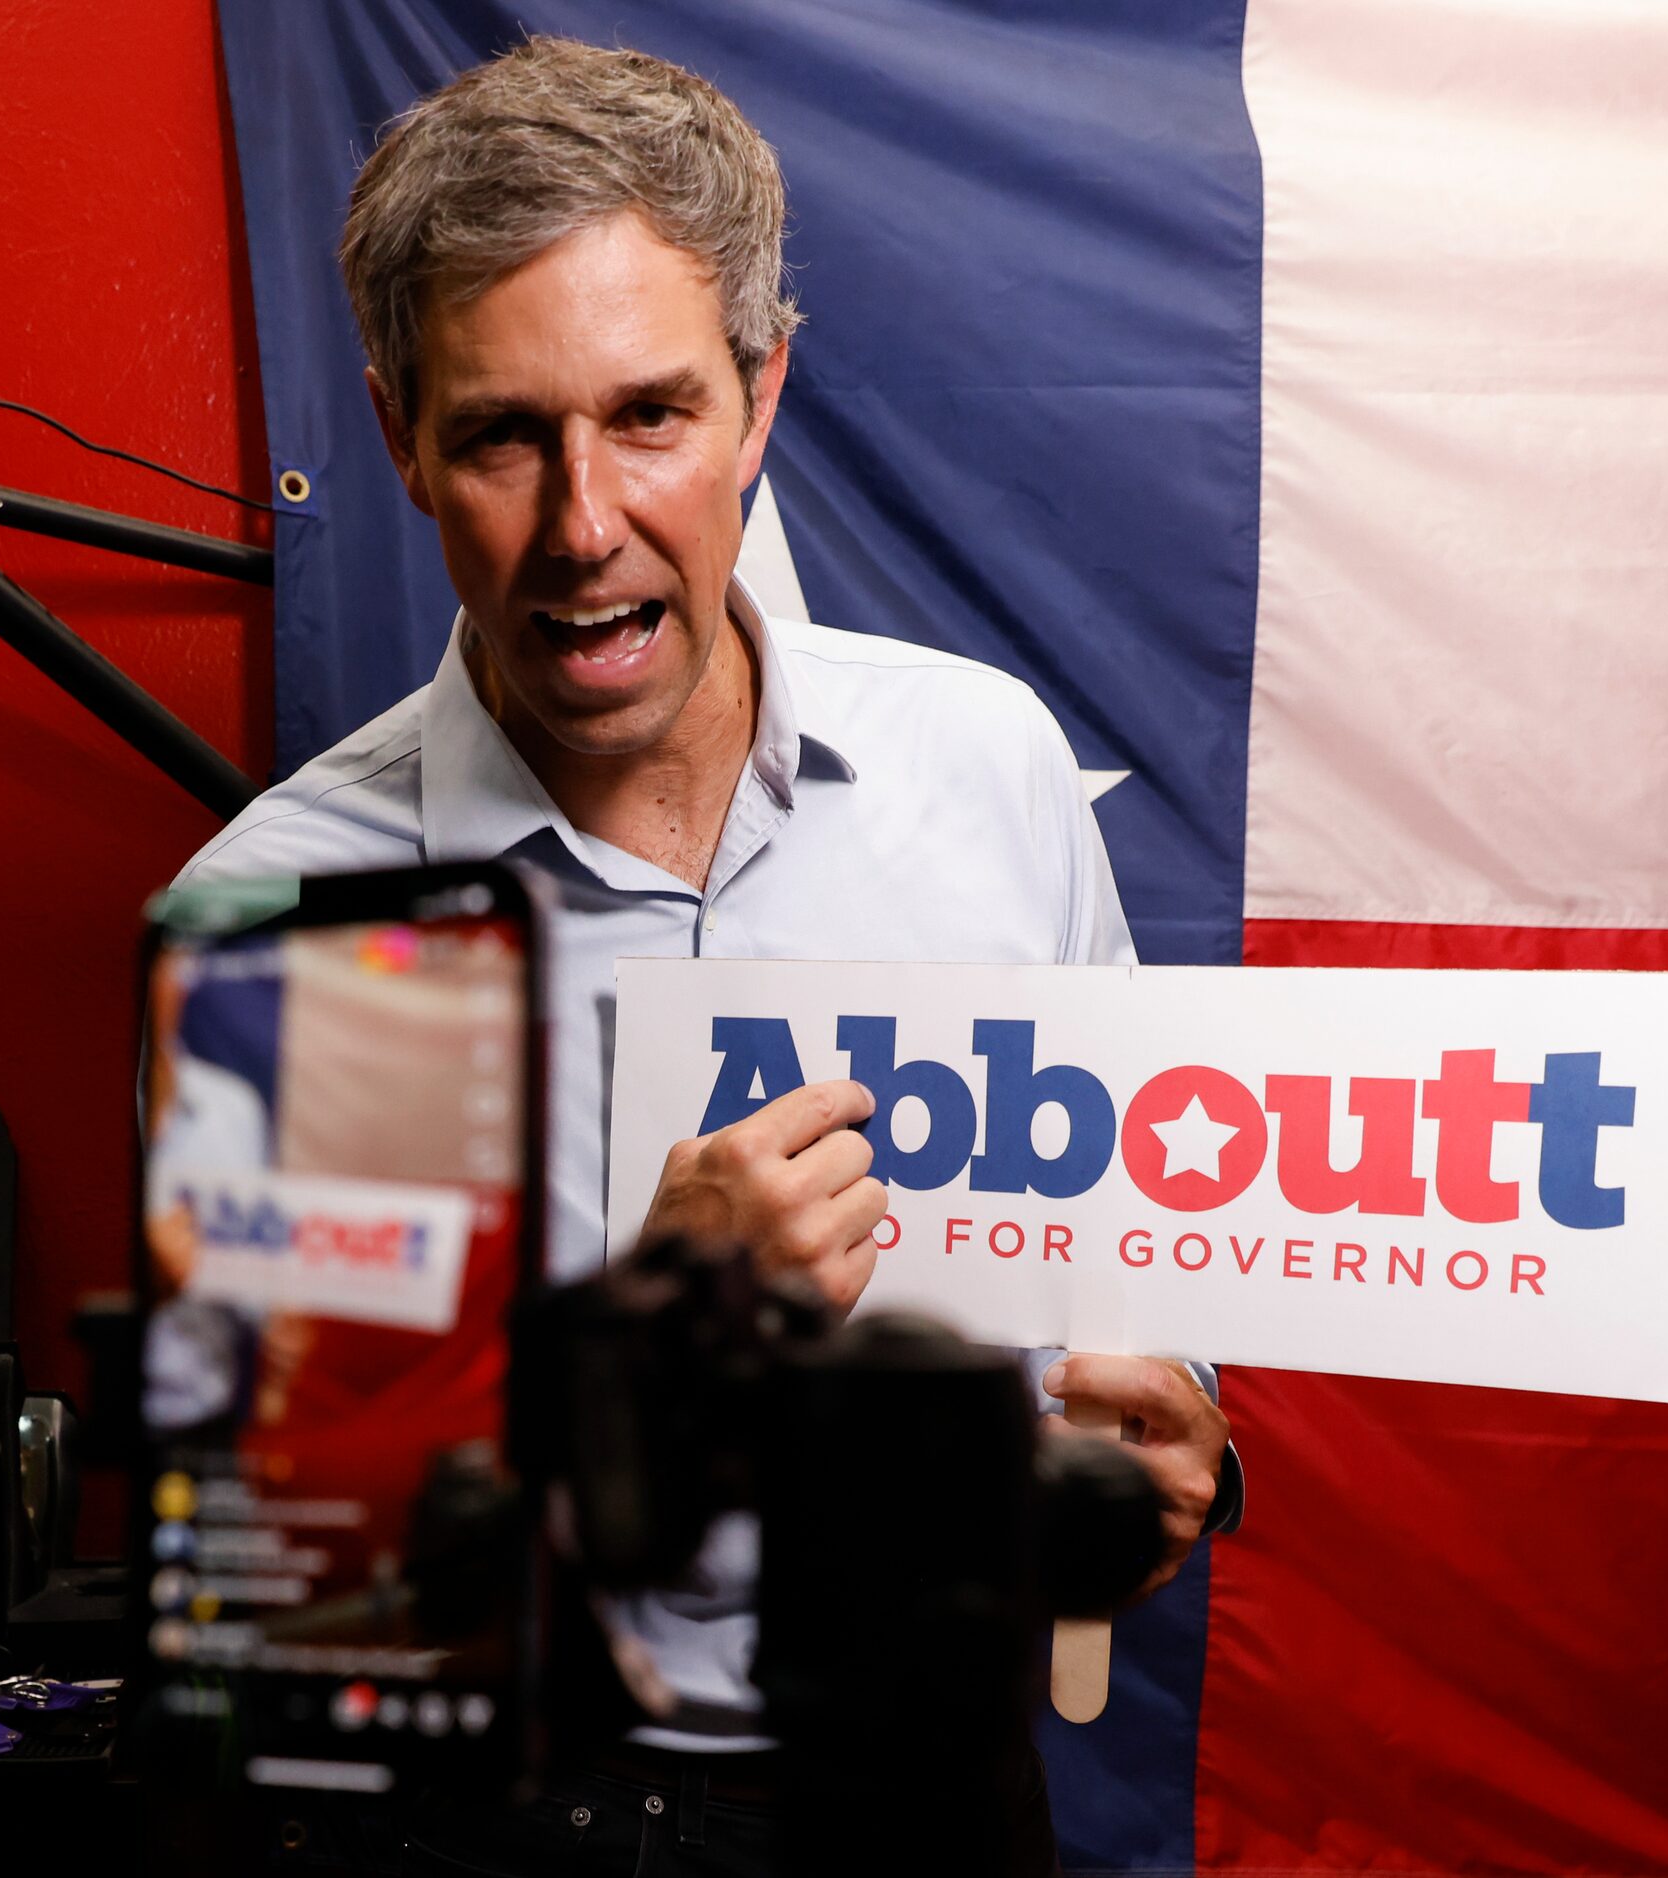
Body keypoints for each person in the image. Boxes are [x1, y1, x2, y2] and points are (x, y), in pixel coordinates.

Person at [177, 37, 1237, 1874]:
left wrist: (1165, 1449)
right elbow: (324, 1606)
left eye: (650, 415)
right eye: (505, 433)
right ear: (403, 439)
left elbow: (1121, 1289)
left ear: (762, 396)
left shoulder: (988, 770)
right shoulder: (288, 929)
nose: (585, 527)